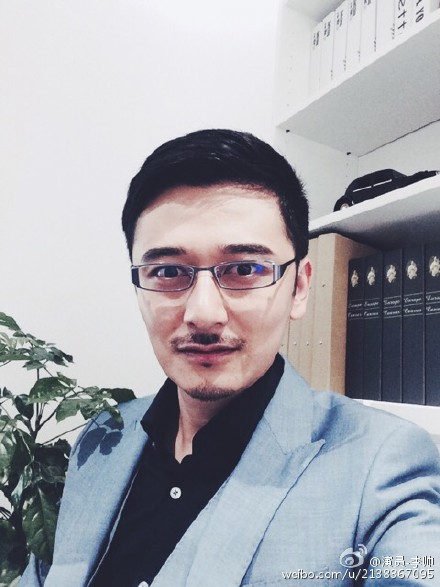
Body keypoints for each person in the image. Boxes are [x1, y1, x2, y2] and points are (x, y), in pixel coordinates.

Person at [21, 129, 440, 586]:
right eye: (167, 271)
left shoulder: (383, 468)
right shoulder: (102, 438)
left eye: (244, 269)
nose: (203, 313)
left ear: (300, 287)